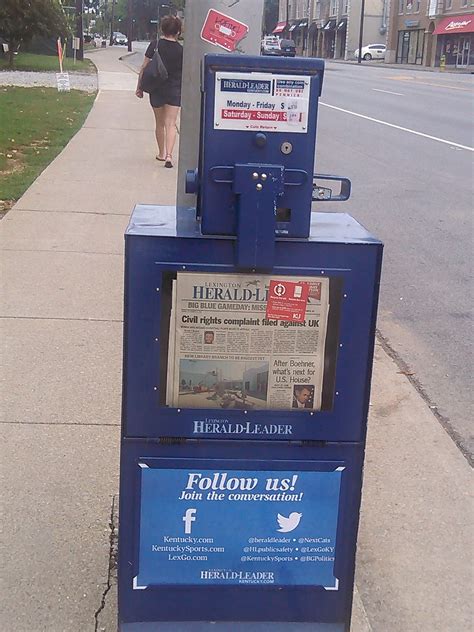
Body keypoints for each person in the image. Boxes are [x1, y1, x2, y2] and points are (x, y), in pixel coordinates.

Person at [136, 15, 183, 168]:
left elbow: (144, 67)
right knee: (171, 123)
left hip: (156, 89)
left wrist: (139, 87)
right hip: (175, 90)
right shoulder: (182, 50)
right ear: (178, 32)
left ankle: (161, 153)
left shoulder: (155, 45)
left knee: (159, 123)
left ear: (162, 29)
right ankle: (170, 155)